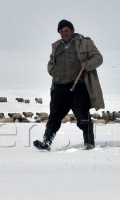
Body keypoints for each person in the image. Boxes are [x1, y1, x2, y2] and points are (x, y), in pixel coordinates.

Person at [34, 19, 104, 151]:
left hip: (79, 85)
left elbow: (98, 58)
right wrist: (52, 71)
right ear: (59, 33)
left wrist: (87, 65)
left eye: (67, 30)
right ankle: (46, 142)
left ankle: (89, 143)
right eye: (62, 31)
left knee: (82, 115)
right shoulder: (56, 46)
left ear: (72, 30)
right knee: (54, 116)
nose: (64, 33)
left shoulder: (84, 43)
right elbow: (50, 63)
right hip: (59, 87)